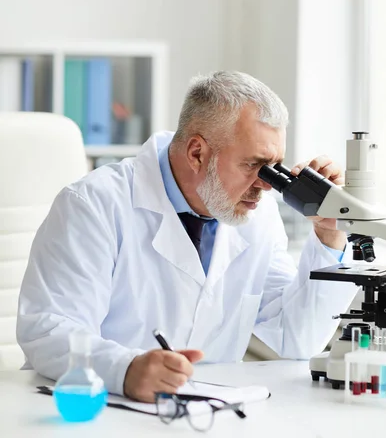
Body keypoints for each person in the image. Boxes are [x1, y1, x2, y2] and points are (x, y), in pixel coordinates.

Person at [17, 71, 357, 402]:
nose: (267, 184)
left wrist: (329, 236)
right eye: (254, 165)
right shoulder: (94, 204)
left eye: (275, 166)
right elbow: (49, 330)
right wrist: (125, 369)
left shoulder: (259, 216)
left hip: (209, 410)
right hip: (102, 408)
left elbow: (298, 338)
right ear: (197, 153)